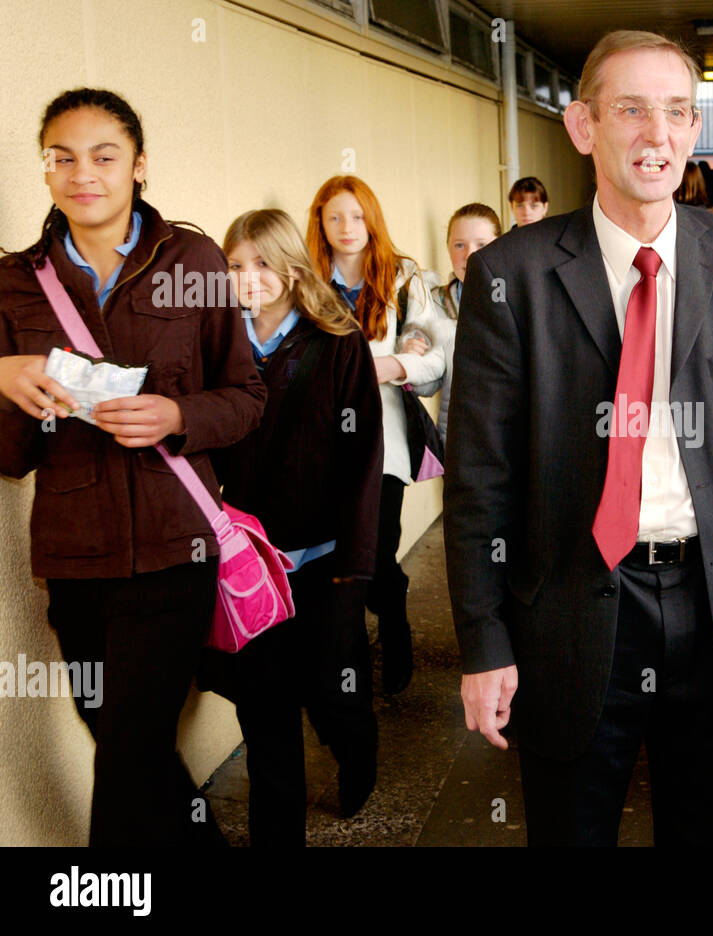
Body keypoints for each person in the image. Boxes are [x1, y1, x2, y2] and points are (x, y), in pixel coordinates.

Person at [445, 29, 713, 847]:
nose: (657, 134)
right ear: (583, 127)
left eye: (677, 113)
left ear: (694, 132)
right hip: (573, 615)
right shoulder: (511, 275)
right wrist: (481, 642)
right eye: (632, 110)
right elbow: (479, 478)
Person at [0, 88, 265, 845]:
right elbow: (10, 457)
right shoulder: (16, 281)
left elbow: (246, 396)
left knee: (124, 760)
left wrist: (178, 415)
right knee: (132, 751)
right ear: (46, 171)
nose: (83, 173)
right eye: (63, 158)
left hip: (175, 549)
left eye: (104, 155)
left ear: (138, 165)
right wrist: (5, 381)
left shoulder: (194, 259)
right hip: (74, 556)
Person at [203, 209, 383, 844]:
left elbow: (365, 459)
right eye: (233, 265)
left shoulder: (337, 341)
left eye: (259, 262)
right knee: (266, 712)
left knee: (331, 691)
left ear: (289, 266)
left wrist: (357, 565)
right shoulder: (218, 348)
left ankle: (358, 751)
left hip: (327, 559)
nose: (246, 277)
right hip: (253, 568)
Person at [306, 175, 444, 695]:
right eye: (335, 216)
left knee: (377, 553)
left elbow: (434, 358)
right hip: (323, 445)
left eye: (357, 216)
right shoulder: (306, 281)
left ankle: (394, 623)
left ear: (373, 220)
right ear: (319, 222)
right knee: (338, 554)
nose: (347, 228)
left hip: (383, 443)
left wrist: (391, 364)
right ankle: (347, 663)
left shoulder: (405, 278)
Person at [411, 203, 500, 446]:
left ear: (501, 246)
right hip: (457, 444)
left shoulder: (521, 301)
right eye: (459, 245)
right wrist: (411, 357)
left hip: (515, 441)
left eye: (482, 244)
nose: (470, 254)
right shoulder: (433, 304)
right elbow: (426, 386)